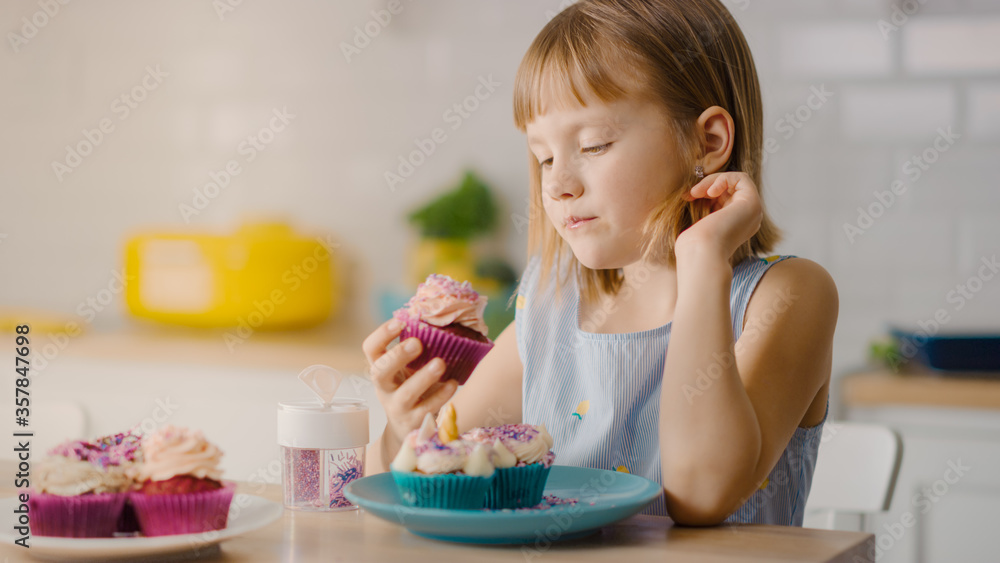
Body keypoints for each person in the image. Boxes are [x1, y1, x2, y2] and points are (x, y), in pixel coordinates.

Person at [362, 0, 837, 527]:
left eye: (594, 144)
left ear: (709, 141)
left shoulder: (787, 295)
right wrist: (403, 431)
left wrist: (703, 258)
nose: (558, 185)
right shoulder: (551, 303)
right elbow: (399, 476)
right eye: (543, 157)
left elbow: (701, 493)